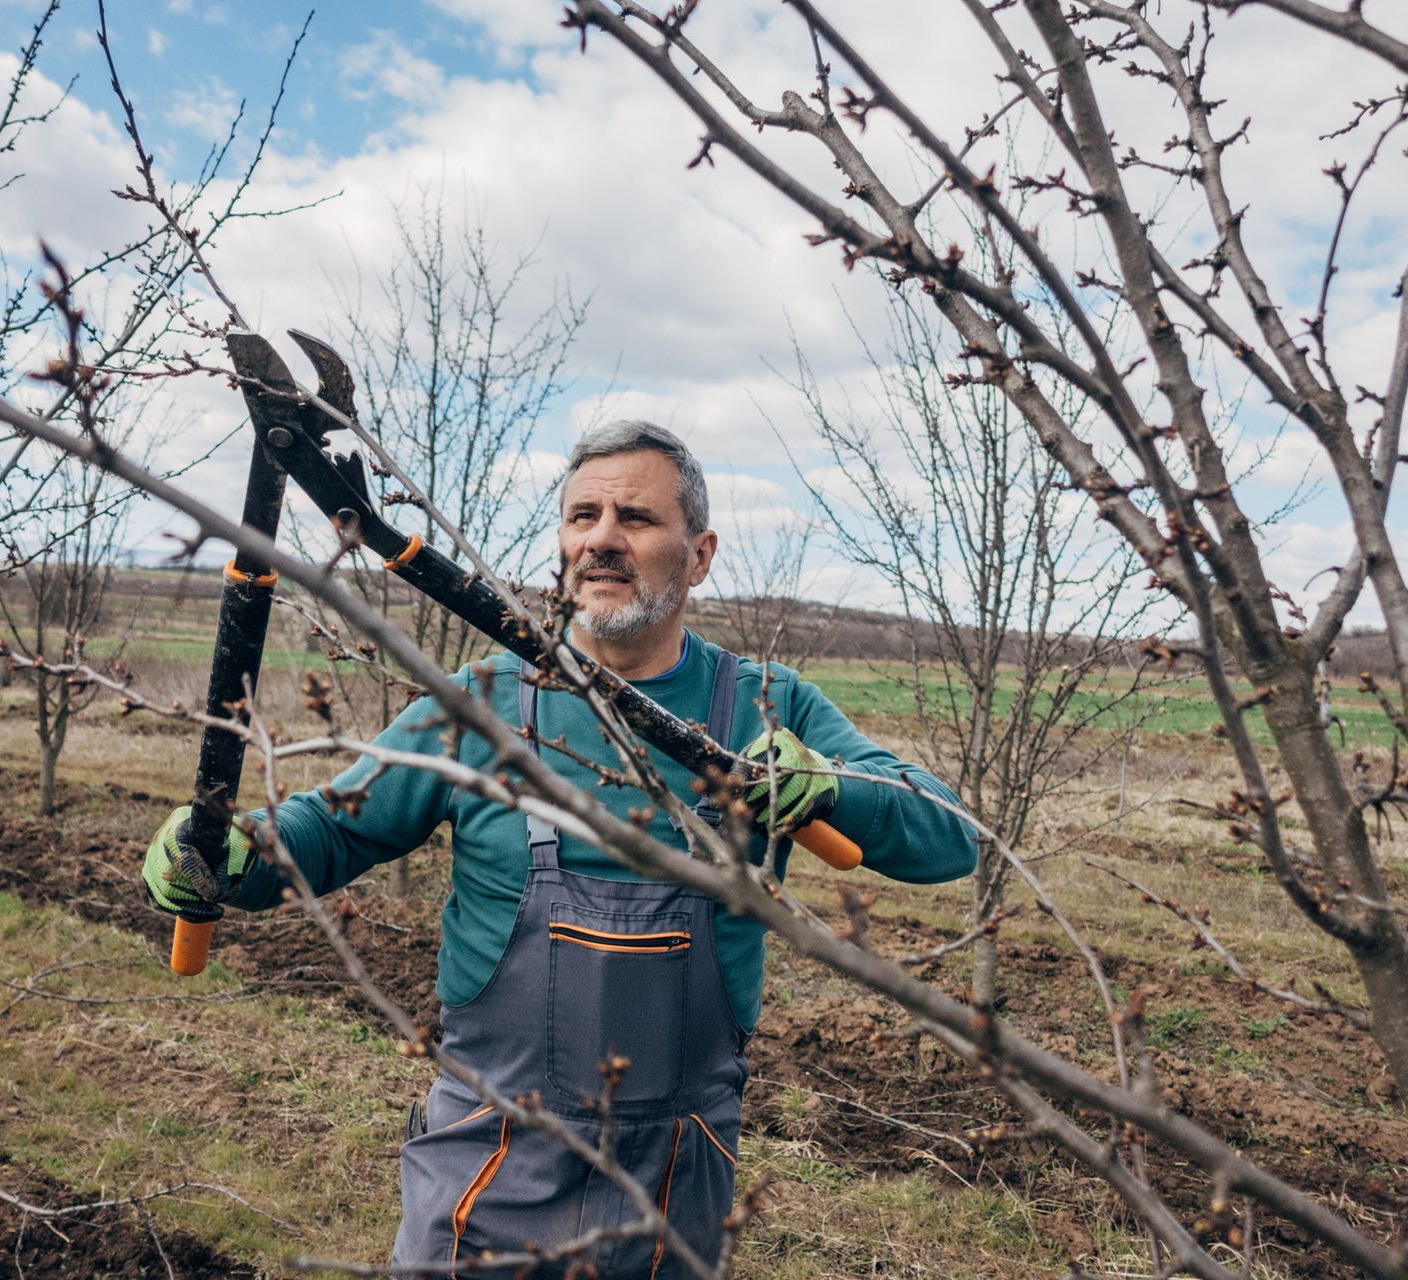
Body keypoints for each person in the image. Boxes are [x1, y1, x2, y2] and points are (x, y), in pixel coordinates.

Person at [142, 421, 976, 1277]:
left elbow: (950, 840)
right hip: (488, 1152)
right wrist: (235, 851)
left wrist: (833, 787)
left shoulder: (765, 706)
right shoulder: (485, 699)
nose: (602, 539)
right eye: (583, 516)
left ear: (699, 554)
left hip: (673, 1181)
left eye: (637, 518)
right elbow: (338, 826)